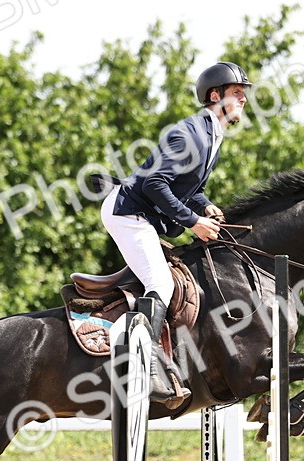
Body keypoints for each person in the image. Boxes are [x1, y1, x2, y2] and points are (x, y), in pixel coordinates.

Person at [100, 61, 250, 403]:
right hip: (127, 213)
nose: (243, 99)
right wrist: (193, 222)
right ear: (216, 96)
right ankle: (145, 367)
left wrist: (205, 205)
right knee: (162, 284)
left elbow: (189, 187)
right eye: (237, 92)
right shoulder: (190, 134)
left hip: (142, 215)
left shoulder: (212, 136)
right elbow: (154, 183)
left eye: (243, 93)